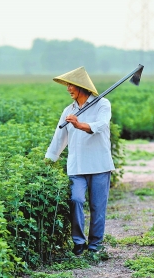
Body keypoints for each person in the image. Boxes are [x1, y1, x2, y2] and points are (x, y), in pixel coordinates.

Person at [45, 66, 115, 255]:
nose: (68, 88)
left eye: (71, 85)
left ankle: (95, 246)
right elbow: (59, 137)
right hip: (76, 166)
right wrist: (49, 160)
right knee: (76, 199)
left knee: (97, 206)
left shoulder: (102, 105)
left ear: (81, 87)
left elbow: (100, 126)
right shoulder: (69, 110)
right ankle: (78, 242)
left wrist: (79, 124)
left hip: (99, 164)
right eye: (67, 85)